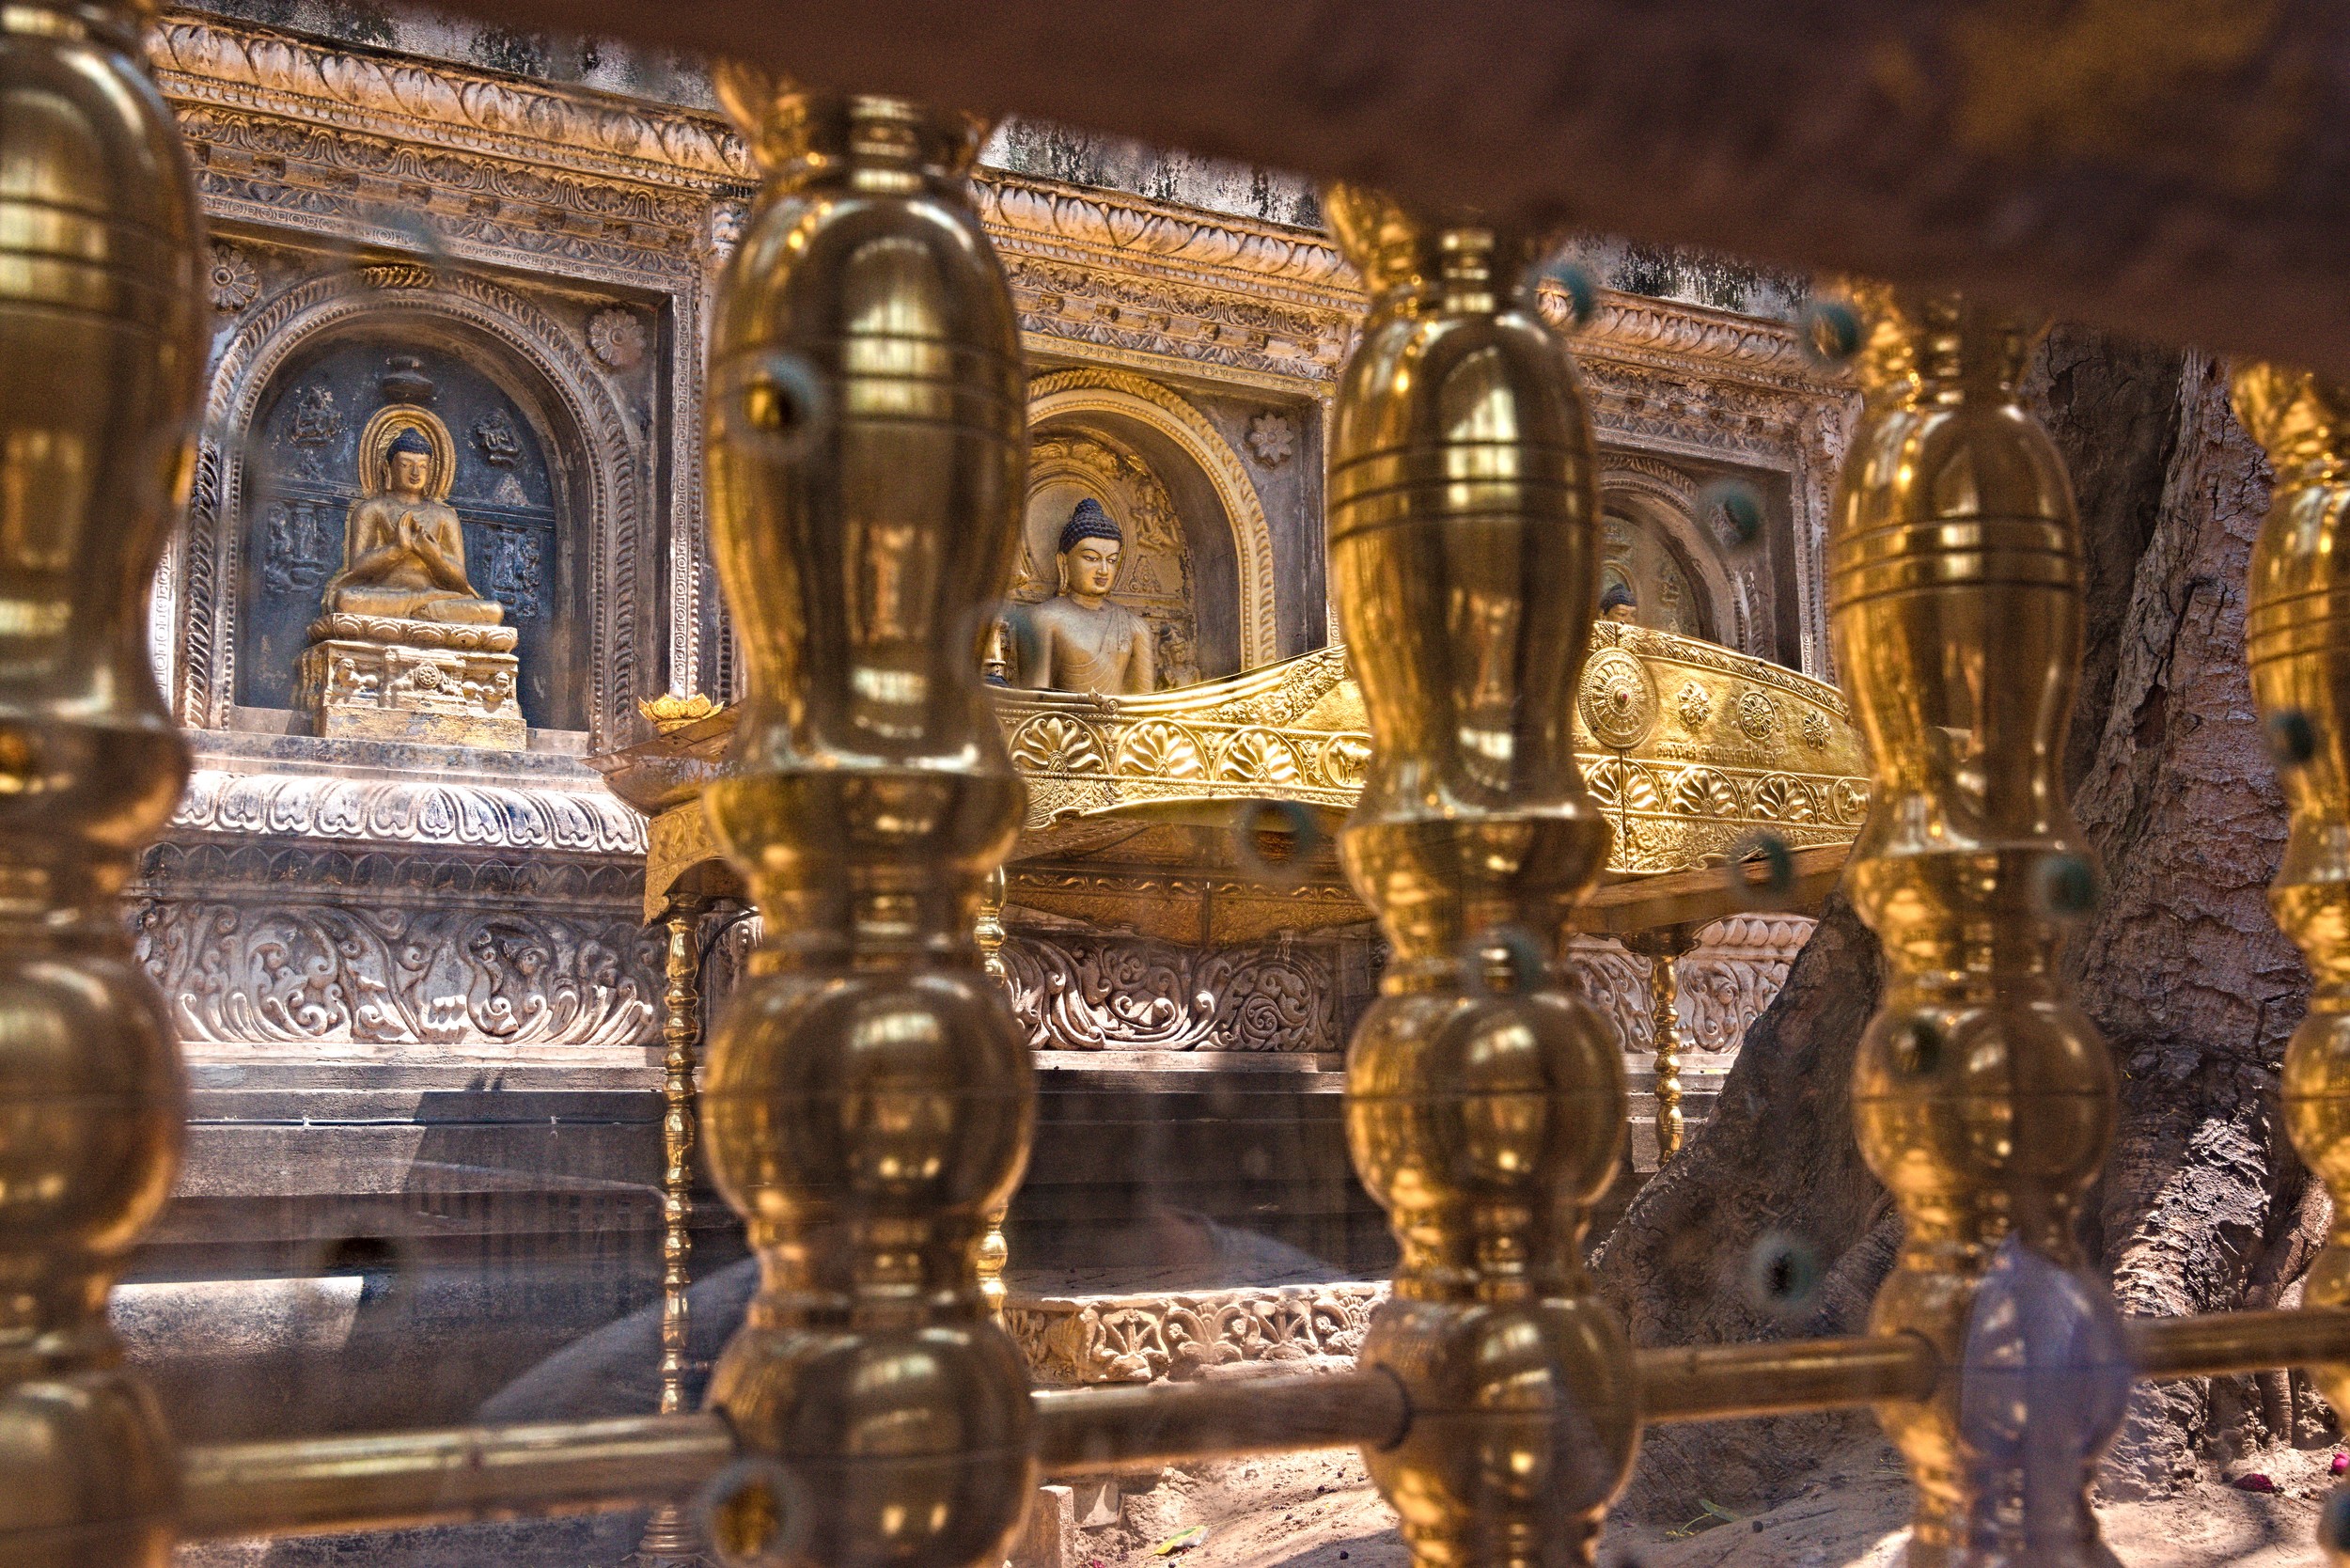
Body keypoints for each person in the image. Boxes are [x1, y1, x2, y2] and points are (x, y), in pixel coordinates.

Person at [323, 425, 503, 624]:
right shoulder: (372, 510)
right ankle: (419, 612)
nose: (415, 473)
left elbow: (460, 582)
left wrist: (435, 557)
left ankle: (419, 611)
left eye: (422, 466)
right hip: (386, 597)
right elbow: (357, 568)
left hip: (434, 598)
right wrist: (397, 549)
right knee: (347, 601)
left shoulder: (444, 516)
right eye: (405, 465)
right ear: (387, 469)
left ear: (431, 472)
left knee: (493, 611)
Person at [1010, 498, 1154, 694]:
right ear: (1063, 562)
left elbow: (1145, 706)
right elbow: (1035, 702)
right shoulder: (1043, 619)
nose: (1103, 570)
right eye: (1091, 558)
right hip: (1059, 723)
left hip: (1124, 724)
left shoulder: (1135, 627)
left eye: (1111, 560)